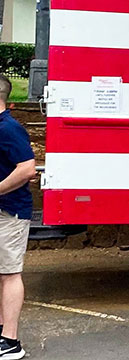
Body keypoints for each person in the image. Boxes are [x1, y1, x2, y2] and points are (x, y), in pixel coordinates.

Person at [0, 75, 36, 360]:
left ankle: (11, 341)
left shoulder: (9, 128)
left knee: (10, 273)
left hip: (10, 212)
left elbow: (27, 169)